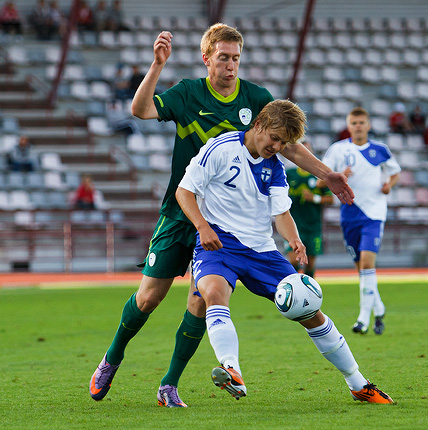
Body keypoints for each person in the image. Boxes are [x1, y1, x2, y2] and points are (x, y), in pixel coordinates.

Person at [89, 23, 354, 409]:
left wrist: (325, 173)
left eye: (236, 58)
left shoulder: (256, 99)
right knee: (148, 298)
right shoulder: (187, 93)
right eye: (224, 58)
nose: (230, 66)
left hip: (227, 225)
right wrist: (157, 65)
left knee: (201, 300)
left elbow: (288, 145)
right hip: (184, 211)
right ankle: (112, 358)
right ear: (207, 58)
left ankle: (169, 384)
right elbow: (141, 110)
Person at [175, 99, 392, 404]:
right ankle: (232, 370)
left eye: (284, 143)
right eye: (274, 138)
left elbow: (281, 212)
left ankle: (358, 383)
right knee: (213, 294)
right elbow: (184, 191)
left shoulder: (275, 168)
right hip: (218, 243)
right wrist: (202, 226)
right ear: (258, 125)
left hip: (262, 250)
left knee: (309, 312)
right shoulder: (220, 148)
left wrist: (294, 241)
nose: (277, 147)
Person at [322, 107, 401, 335]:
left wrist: (389, 185)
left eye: (361, 122)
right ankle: (379, 309)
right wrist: (338, 177)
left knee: (367, 264)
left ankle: (363, 319)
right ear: (348, 126)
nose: (358, 126)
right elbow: (321, 180)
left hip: (374, 214)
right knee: (361, 269)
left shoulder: (380, 150)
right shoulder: (337, 150)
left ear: (368, 125)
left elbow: (394, 172)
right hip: (349, 214)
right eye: (354, 123)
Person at [285, 139, 334, 277]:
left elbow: (330, 199)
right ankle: (293, 290)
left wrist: (314, 198)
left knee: (310, 264)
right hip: (294, 226)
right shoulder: (289, 174)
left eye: (307, 150)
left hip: (313, 226)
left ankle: (309, 293)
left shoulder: (319, 176)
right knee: (293, 261)